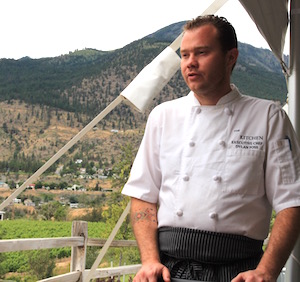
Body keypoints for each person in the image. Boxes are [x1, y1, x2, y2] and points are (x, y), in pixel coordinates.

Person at [122, 15, 300, 282]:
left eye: (202, 53)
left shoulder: (268, 117)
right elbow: (142, 196)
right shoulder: (163, 116)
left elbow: (292, 201)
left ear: (231, 57)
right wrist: (149, 261)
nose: (190, 62)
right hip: (169, 271)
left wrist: (267, 271)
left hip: (238, 272)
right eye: (184, 55)